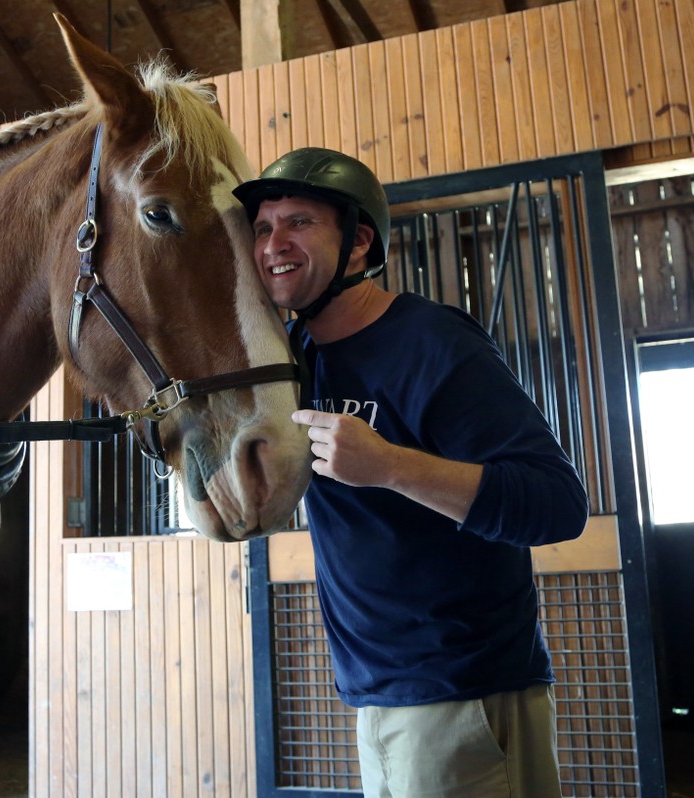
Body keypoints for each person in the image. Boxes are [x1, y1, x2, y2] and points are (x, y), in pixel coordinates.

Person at [234, 148, 589, 798]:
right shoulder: (297, 358)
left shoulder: (432, 341)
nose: (273, 243)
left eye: (299, 222)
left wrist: (389, 465)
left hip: (463, 693)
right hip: (376, 696)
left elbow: (557, 504)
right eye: (262, 227)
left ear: (359, 241)